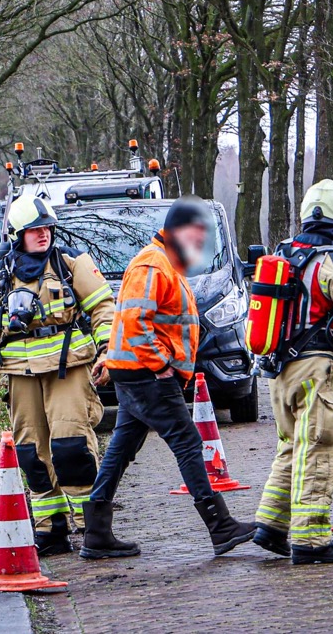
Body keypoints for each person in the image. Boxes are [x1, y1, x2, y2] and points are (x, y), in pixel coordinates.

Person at [80, 196, 256, 559]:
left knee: (122, 447)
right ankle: (219, 525)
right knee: (189, 443)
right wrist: (162, 366)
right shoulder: (154, 266)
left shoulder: (162, 264)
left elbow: (129, 324)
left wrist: (121, 361)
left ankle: (96, 531)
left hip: (136, 375)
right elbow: (134, 323)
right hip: (148, 377)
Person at [0, 195, 115, 555]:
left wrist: (110, 352)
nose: (43, 235)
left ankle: (94, 530)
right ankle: (51, 530)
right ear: (18, 235)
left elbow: (104, 310)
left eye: (47, 228)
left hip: (68, 370)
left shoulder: (71, 265)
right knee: (32, 455)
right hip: (21, 376)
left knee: (72, 449)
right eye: (35, 230)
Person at [251, 180, 333, 565]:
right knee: (321, 450)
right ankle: (311, 541)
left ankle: (271, 527)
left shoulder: (285, 254)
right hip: (317, 372)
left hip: (280, 372)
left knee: (292, 448)